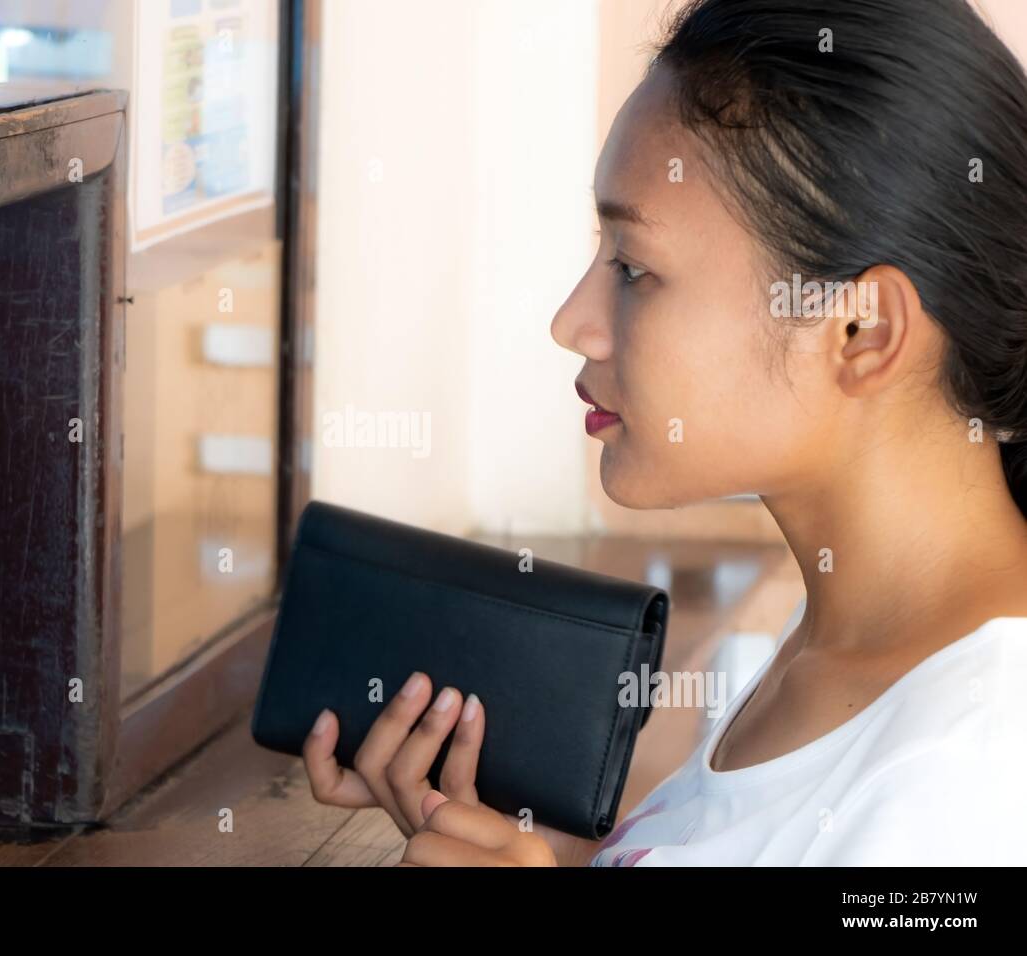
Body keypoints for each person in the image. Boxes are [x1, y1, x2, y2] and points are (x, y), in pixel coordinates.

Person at [301, 0, 1027, 866]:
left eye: (635, 269)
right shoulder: (837, 642)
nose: (574, 323)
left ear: (860, 330)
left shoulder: (974, 769)